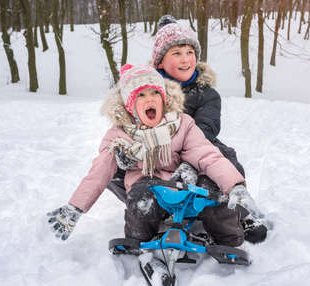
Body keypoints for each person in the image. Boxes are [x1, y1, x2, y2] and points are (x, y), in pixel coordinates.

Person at [47, 64, 257, 247]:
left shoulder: (182, 123)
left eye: (155, 93)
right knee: (141, 200)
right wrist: (75, 207)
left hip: (185, 183)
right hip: (149, 186)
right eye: (141, 95)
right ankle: (139, 240)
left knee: (215, 193)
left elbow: (207, 155)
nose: (150, 99)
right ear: (130, 105)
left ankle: (229, 240)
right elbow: (99, 172)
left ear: (163, 98)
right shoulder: (119, 135)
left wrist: (234, 185)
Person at [107, 15, 267, 244]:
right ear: (160, 61)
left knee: (227, 161)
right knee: (113, 166)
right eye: (176, 53)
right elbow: (128, 120)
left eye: (189, 52)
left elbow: (206, 129)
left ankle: (239, 213)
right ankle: (150, 208)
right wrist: (127, 151)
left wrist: (188, 162)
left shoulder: (206, 93)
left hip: (198, 145)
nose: (185, 59)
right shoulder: (146, 90)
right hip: (155, 150)